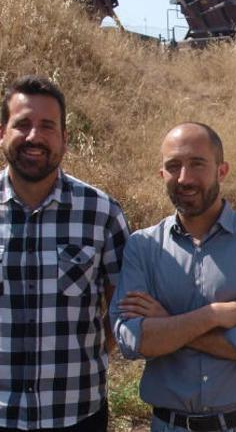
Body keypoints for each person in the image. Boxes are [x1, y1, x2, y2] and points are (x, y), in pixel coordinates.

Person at [110, 122, 236, 432]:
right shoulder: (143, 247)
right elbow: (130, 339)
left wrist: (168, 324)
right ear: (162, 175)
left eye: (197, 164)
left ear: (222, 170)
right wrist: (214, 316)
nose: (185, 177)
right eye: (173, 166)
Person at [0, 76, 129, 431]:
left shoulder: (101, 213)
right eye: (22, 124)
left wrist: (91, 357)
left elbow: (122, 304)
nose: (34, 137)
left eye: (47, 126)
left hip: (77, 414)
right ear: (2, 132)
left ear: (64, 138)